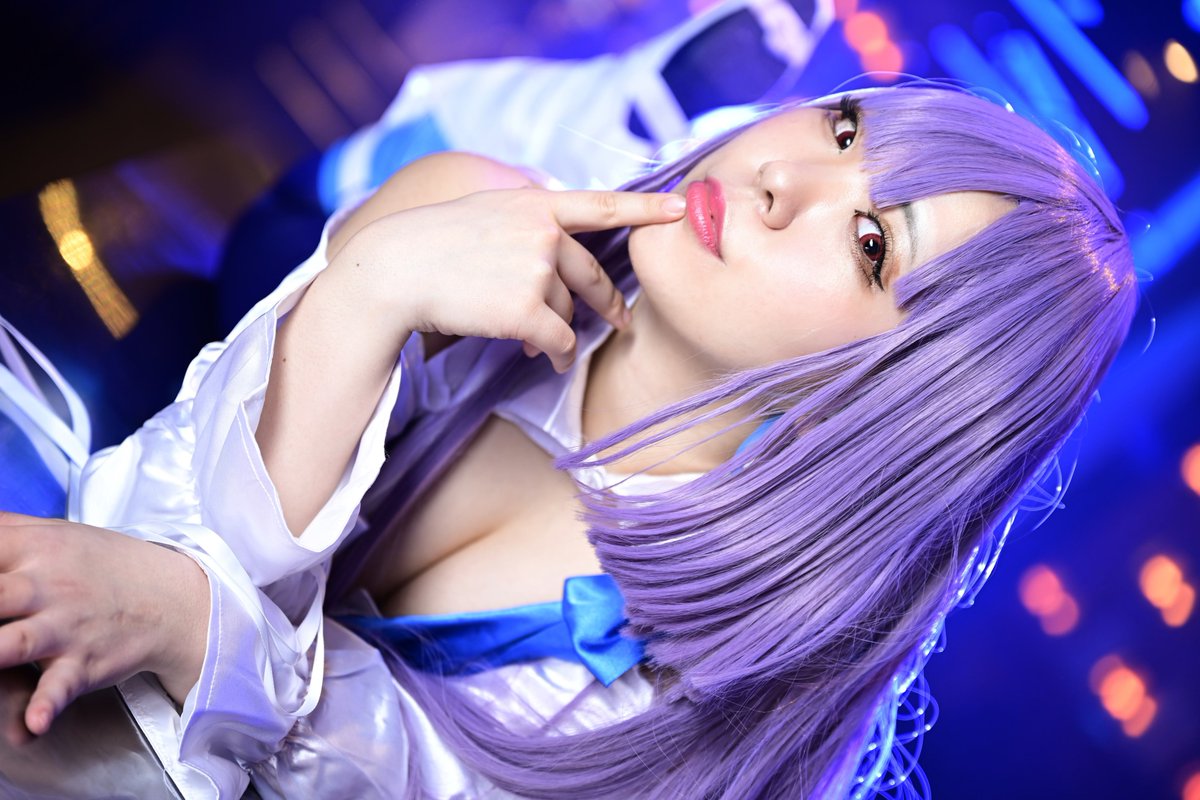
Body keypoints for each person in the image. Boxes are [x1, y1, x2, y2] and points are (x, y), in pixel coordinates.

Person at [0, 83, 1138, 799]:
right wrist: (374, 283)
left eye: (873, 244)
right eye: (845, 128)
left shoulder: (692, 691)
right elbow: (122, 540)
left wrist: (197, 623)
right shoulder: (471, 213)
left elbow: (158, 616)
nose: (781, 178)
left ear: (895, 405)